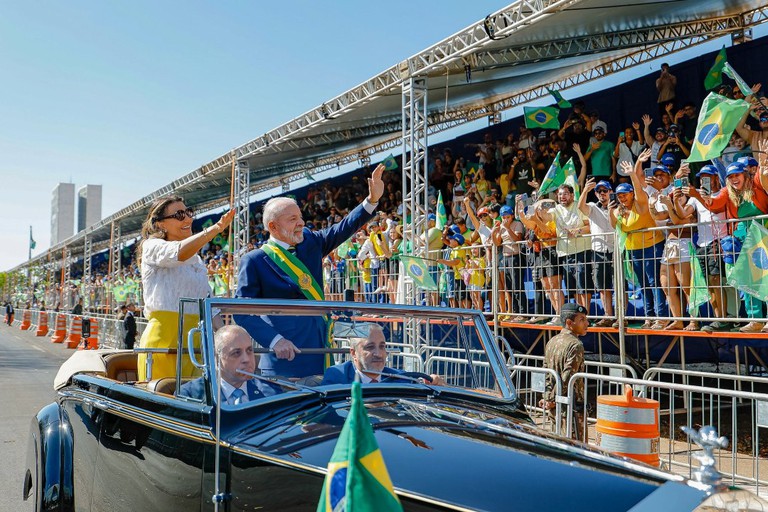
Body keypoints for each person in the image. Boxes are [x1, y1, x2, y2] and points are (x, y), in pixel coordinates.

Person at [235, 164, 385, 378]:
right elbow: (241, 312)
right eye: (292, 219)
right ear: (273, 226)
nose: (301, 223)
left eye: (300, 217)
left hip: (321, 352)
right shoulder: (254, 260)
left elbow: (343, 228)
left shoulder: (310, 242)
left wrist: (371, 201)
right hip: (285, 361)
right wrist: (275, 341)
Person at [136, 195, 235, 381]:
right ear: (160, 224)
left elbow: (207, 302)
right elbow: (177, 253)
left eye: (188, 212)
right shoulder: (152, 246)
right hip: (164, 341)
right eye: (179, 215)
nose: (188, 219)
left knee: (194, 395)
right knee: (163, 395)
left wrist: (225, 336)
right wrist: (216, 228)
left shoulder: (196, 260)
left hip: (195, 343)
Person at [610, 151, 669, 329]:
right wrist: (609, 210)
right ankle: (649, 317)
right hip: (634, 250)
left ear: (632, 194)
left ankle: (661, 318)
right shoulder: (619, 210)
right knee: (643, 284)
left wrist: (632, 174)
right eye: (619, 195)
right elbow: (614, 226)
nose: (622, 198)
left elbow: (638, 189)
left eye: (625, 194)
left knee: (654, 282)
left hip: (652, 245)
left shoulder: (640, 203)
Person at [178, 325, 282, 403]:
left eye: (249, 350)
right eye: (236, 353)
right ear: (216, 358)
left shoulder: (271, 393)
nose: (246, 359)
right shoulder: (191, 395)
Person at [320, 325, 445, 385]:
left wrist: (435, 384)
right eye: (370, 347)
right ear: (353, 353)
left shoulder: (401, 378)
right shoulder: (337, 376)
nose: (378, 354)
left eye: (382, 346)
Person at [542, 303, 588, 441]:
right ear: (569, 322)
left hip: (555, 407)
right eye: (582, 320)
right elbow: (567, 377)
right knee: (576, 447)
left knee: (556, 444)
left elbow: (546, 374)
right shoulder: (575, 345)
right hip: (570, 408)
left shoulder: (552, 341)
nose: (587, 323)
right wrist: (552, 400)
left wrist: (547, 397)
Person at [577, 179, 616, 327]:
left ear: (611, 192)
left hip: (616, 249)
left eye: (605, 191)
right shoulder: (592, 207)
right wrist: (585, 190)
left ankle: (622, 315)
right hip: (599, 250)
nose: (602, 194)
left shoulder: (618, 206)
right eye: (599, 191)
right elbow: (580, 207)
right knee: (602, 286)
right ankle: (608, 315)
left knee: (620, 284)